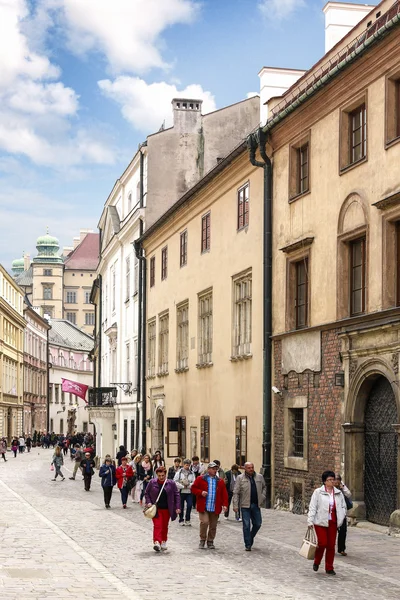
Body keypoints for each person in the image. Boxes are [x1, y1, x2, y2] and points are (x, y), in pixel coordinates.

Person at [308, 470, 347, 576]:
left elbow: (343, 506)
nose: (331, 481)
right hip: (320, 521)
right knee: (322, 543)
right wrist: (310, 520)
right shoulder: (318, 492)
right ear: (324, 481)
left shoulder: (338, 493)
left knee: (330, 545)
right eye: (329, 480)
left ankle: (329, 567)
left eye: (333, 479)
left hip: (333, 522)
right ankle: (317, 561)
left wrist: (342, 517)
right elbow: (313, 507)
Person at [192, 461, 228, 549]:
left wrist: (225, 504)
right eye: (213, 469)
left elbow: (224, 494)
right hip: (204, 506)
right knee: (204, 522)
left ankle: (210, 541)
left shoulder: (220, 481)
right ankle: (202, 539)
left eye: (216, 469)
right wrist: (200, 492)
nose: (215, 470)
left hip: (215, 506)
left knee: (213, 525)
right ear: (208, 469)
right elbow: (193, 488)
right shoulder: (201, 479)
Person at [145, 466, 181, 552]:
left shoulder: (171, 483)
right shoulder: (152, 482)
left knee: (164, 526)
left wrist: (178, 507)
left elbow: (177, 495)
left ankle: (163, 541)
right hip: (156, 509)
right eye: (159, 475)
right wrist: (149, 502)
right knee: (158, 525)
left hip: (167, 508)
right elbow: (146, 493)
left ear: (165, 475)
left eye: (163, 475)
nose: (161, 477)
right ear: (157, 475)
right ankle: (157, 542)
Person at [233, 462, 266, 551]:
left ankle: (250, 537)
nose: (251, 469)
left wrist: (262, 497)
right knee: (246, 525)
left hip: (256, 504)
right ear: (245, 468)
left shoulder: (259, 477)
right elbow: (236, 492)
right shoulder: (240, 478)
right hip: (245, 505)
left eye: (252, 467)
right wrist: (235, 505)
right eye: (249, 468)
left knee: (258, 523)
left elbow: (264, 487)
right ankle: (248, 544)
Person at [334, 473, 352, 556]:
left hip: (342, 513)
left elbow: (349, 494)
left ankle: (341, 549)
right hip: (333, 513)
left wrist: (343, 487)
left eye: (338, 480)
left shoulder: (342, 487)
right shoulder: (329, 488)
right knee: (332, 532)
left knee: (343, 531)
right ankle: (330, 548)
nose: (337, 482)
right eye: (335, 480)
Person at [174, 459, 195, 525]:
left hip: (189, 491)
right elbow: (175, 481)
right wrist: (182, 486)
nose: (187, 466)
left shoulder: (192, 473)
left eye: (189, 465)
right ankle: (181, 519)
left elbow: (194, 482)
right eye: (186, 465)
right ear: (183, 465)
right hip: (181, 491)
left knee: (189, 505)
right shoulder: (179, 473)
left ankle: (188, 519)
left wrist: (189, 485)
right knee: (181, 506)